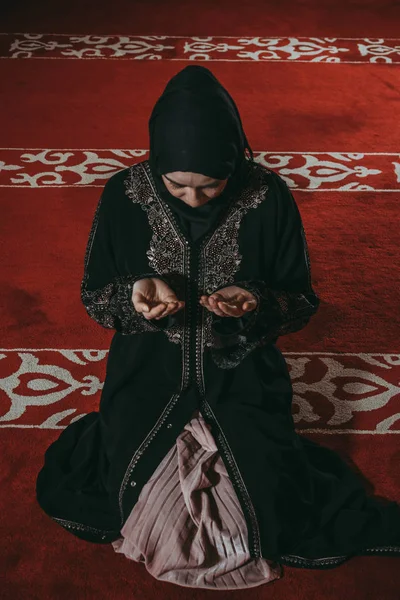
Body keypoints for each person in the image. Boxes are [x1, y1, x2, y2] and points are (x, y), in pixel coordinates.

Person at [36, 65, 400, 590]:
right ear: (156, 163)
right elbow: (96, 296)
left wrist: (254, 300)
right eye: (176, 185)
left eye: (210, 185)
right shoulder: (124, 193)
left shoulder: (268, 196)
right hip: (145, 371)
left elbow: (298, 300)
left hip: (244, 372)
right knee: (132, 492)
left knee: (264, 499)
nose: (193, 199)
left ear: (235, 160)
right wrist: (136, 294)